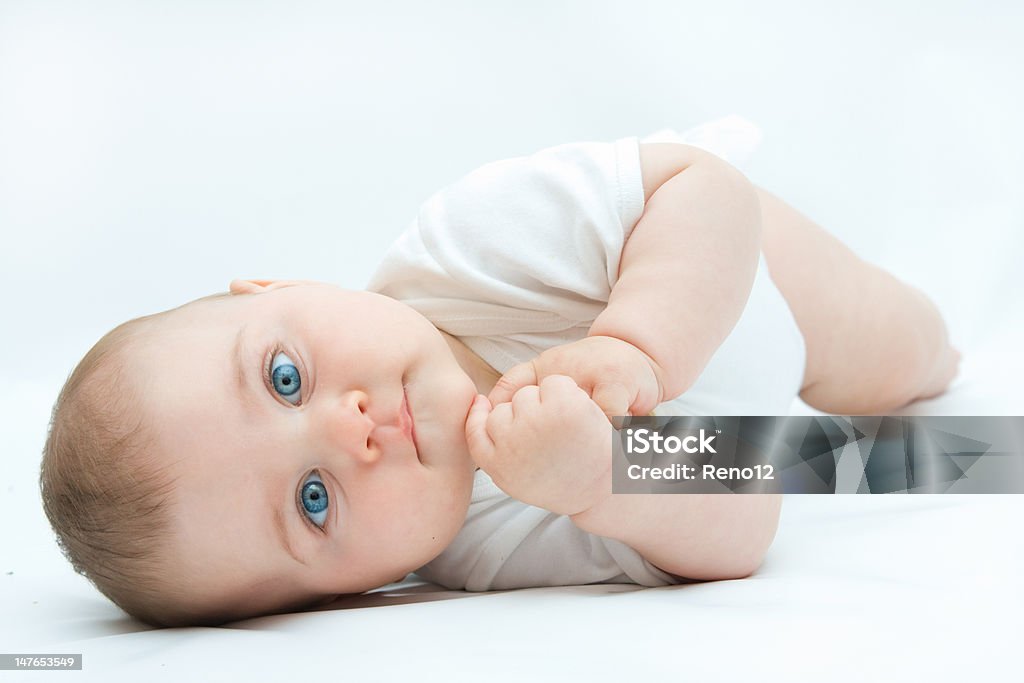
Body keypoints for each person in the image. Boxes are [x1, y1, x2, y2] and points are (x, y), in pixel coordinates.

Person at [38, 117, 960, 628]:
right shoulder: (480, 546)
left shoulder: (468, 250)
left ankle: (936, 343)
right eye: (313, 499)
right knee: (879, 425)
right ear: (352, 590)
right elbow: (749, 506)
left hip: (755, 277)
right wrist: (605, 482)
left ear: (278, 285)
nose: (347, 428)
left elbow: (701, 187)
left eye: (285, 377)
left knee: (912, 351)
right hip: (756, 410)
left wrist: (637, 346)